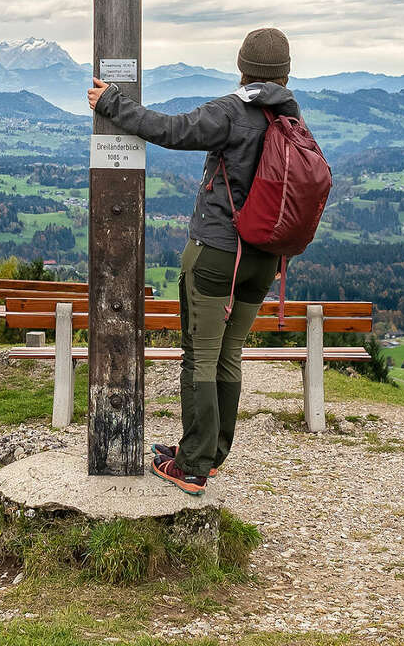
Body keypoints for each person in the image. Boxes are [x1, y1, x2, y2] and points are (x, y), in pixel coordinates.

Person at [86, 26, 302, 495]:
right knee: (229, 354)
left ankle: (194, 465)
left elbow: (172, 130)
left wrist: (113, 104)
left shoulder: (232, 111)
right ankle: (209, 452)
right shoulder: (290, 120)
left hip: (217, 254)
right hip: (265, 260)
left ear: (243, 66)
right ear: (285, 73)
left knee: (200, 357)